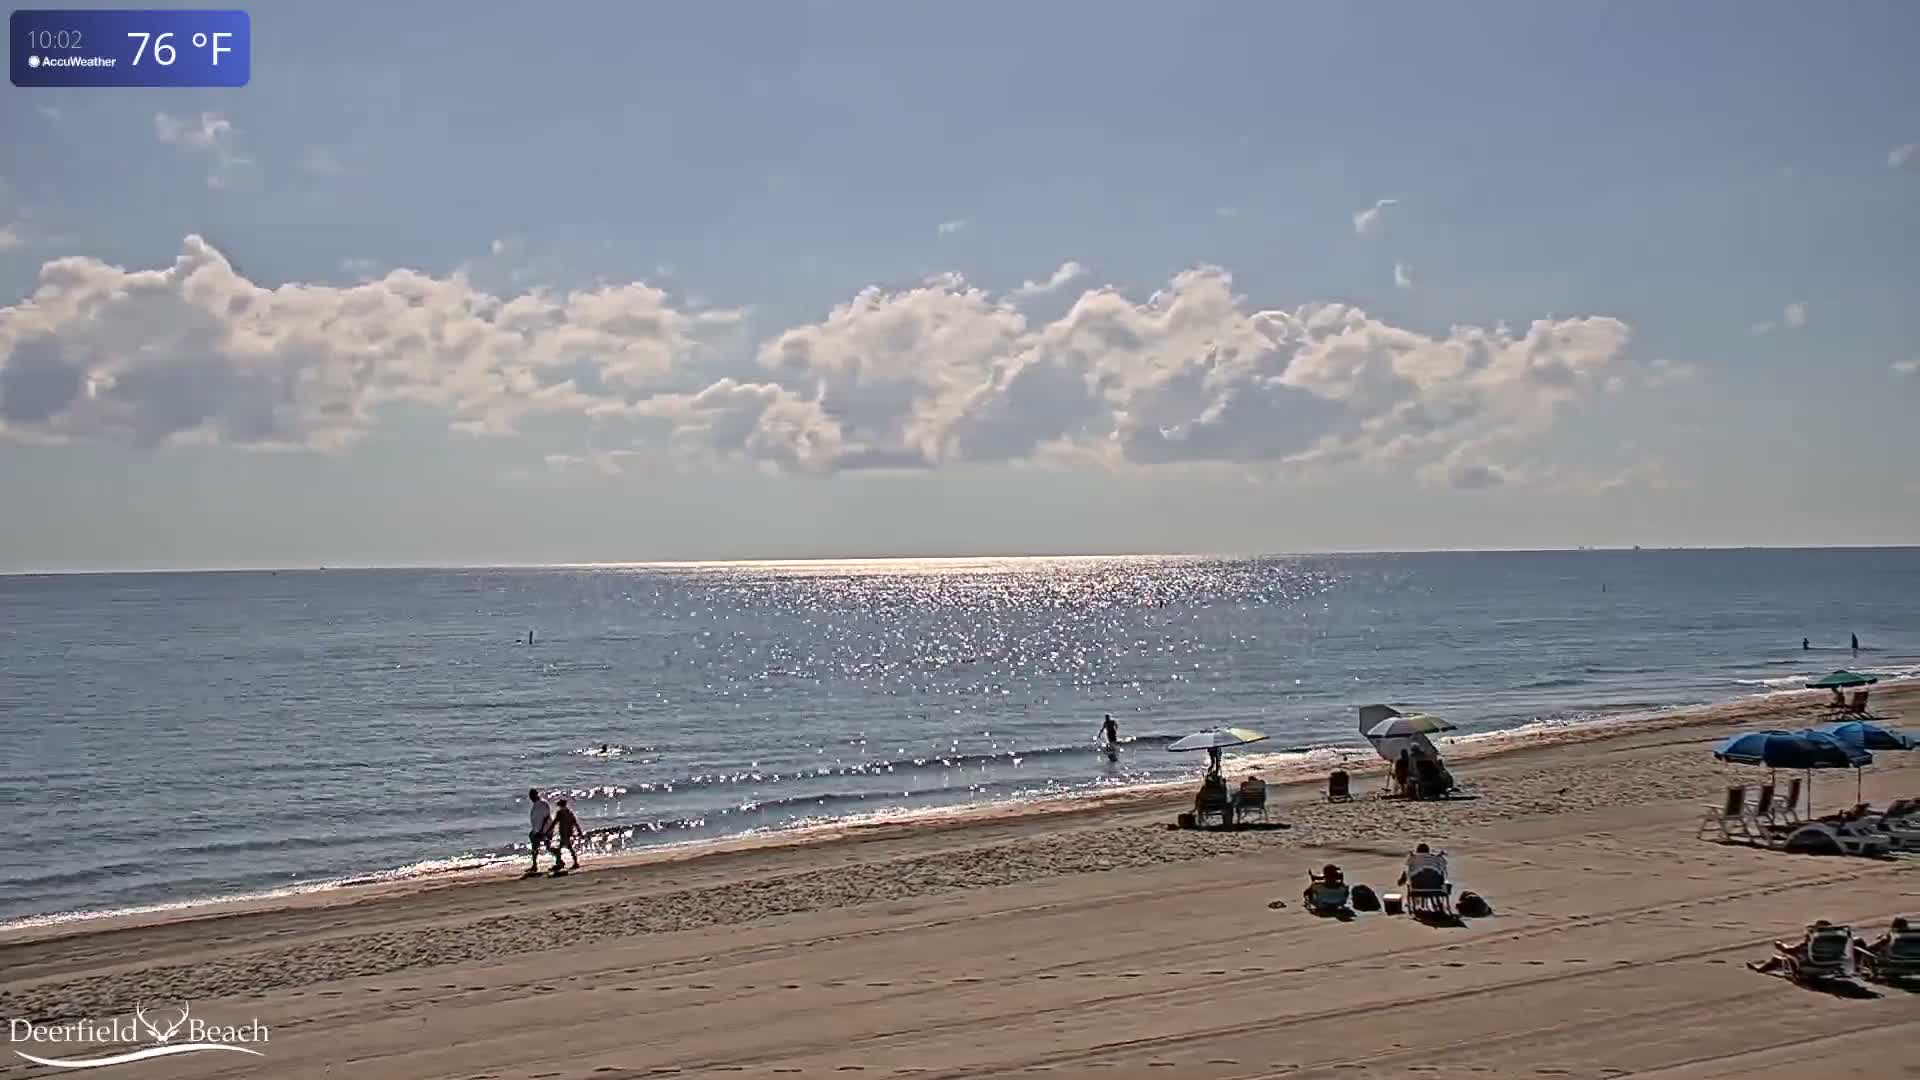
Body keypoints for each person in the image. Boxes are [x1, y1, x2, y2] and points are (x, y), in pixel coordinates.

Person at [526, 788, 554, 874]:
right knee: (535, 847)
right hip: (538, 830)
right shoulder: (536, 805)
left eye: (532, 796)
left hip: (545, 830)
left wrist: (542, 831)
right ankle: (534, 865)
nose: (531, 798)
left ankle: (559, 860)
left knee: (548, 847)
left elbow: (546, 818)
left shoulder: (543, 804)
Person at [551, 797, 582, 872]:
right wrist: (579, 830)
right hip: (568, 832)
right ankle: (574, 862)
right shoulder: (569, 812)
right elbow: (575, 822)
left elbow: (555, 822)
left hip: (563, 832)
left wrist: (548, 829)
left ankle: (560, 863)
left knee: (560, 848)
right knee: (568, 847)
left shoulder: (560, 812)